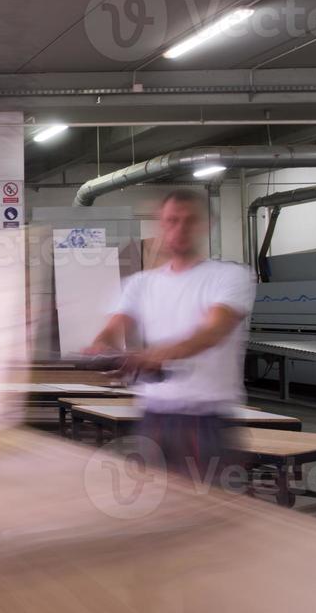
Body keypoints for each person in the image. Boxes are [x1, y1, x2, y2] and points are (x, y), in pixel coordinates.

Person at [86, 189, 256, 481]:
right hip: (152, 416)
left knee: (207, 512)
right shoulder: (140, 284)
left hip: (206, 419)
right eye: (172, 220)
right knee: (148, 509)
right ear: (161, 225)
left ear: (206, 225)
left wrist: (157, 355)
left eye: (190, 220)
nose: (180, 228)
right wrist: (101, 348)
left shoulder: (230, 276)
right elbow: (114, 328)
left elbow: (213, 331)